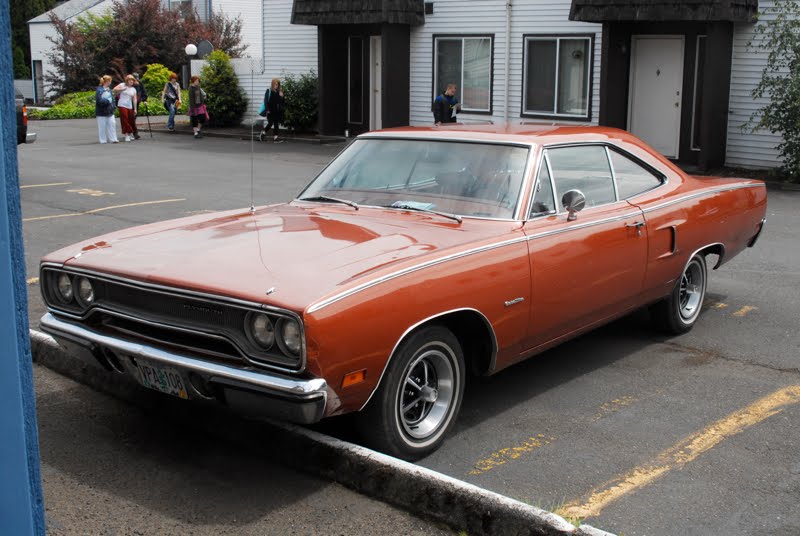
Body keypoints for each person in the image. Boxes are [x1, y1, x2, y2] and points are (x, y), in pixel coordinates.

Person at [113, 75, 138, 142]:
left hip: (129, 106)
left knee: (130, 120)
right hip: (122, 105)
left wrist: (135, 109)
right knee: (125, 120)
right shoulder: (122, 85)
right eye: (130, 80)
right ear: (127, 81)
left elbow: (134, 99)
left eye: (132, 80)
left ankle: (129, 134)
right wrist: (122, 89)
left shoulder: (133, 89)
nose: (131, 81)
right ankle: (126, 135)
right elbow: (114, 89)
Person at [259, 78, 285, 143]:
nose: (277, 86)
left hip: (276, 110)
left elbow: (280, 102)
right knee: (270, 123)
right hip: (269, 110)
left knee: (276, 124)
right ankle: (263, 132)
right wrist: (267, 109)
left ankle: (275, 138)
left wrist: (282, 96)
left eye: (278, 84)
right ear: (273, 84)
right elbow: (265, 101)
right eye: (275, 84)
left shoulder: (279, 92)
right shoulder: (268, 91)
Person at [95, 75, 118, 144]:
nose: (110, 82)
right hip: (101, 112)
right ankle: (103, 140)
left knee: (112, 124)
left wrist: (113, 106)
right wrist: (107, 101)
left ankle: (113, 139)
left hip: (110, 111)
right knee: (102, 127)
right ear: (106, 81)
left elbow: (112, 99)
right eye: (110, 81)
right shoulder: (99, 90)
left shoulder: (109, 89)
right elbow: (99, 100)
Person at [131, 72, 148, 140]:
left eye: (137, 79)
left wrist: (144, 100)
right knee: (132, 118)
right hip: (129, 103)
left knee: (134, 118)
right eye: (135, 79)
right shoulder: (129, 84)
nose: (136, 80)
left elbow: (143, 91)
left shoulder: (139, 83)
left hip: (136, 103)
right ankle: (135, 133)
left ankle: (133, 132)